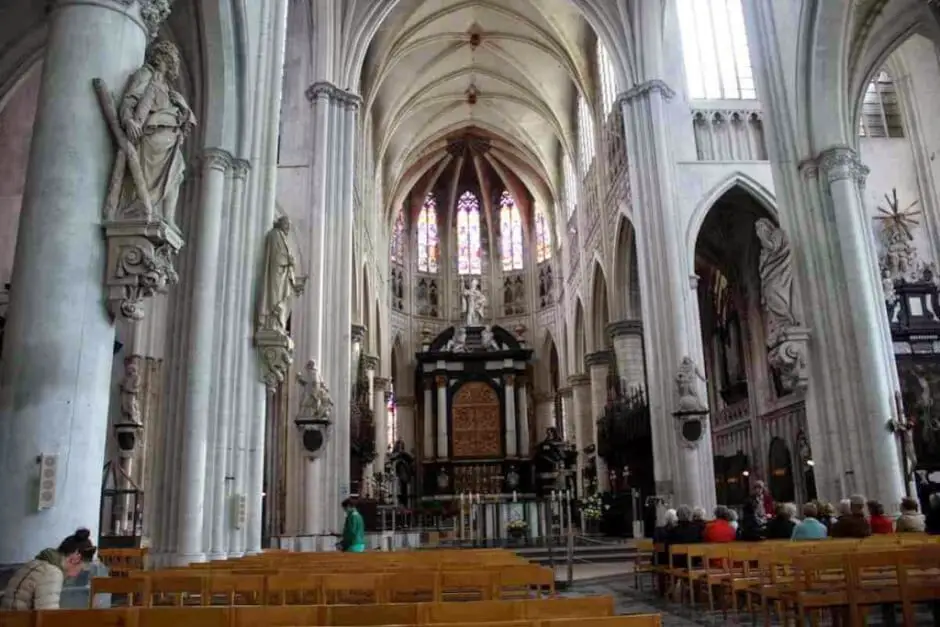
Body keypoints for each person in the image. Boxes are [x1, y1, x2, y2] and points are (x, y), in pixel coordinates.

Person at [0, 528, 96, 610]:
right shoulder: (52, 573)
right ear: (75, 558)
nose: (79, 573)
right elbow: (48, 618)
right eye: (81, 568)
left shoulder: (33, 564)